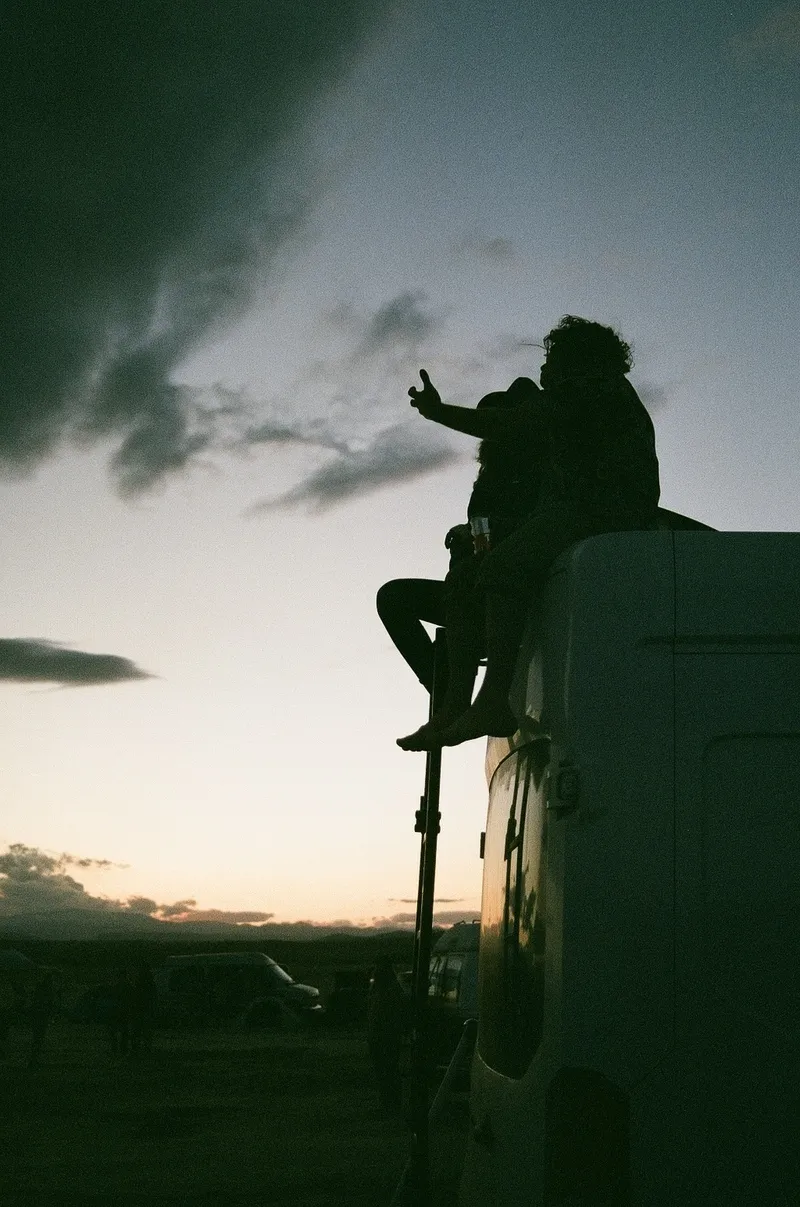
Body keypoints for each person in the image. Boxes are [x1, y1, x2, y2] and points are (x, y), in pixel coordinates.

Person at [399, 315, 660, 748]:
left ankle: (494, 700)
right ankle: (451, 707)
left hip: (602, 514)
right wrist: (476, 539)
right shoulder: (500, 472)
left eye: (552, 360)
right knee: (465, 579)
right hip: (566, 515)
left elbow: (518, 429)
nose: (545, 371)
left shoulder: (592, 391)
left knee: (501, 568)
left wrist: (439, 413)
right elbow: (489, 515)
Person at [377, 377, 545, 738]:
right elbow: (481, 534)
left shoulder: (540, 470)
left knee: (467, 585)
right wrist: (468, 538)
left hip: (514, 591)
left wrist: (483, 533)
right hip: (472, 588)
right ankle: (444, 696)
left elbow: (540, 526)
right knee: (394, 597)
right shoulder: (488, 480)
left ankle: (456, 702)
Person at [366, 959, 409, 1115]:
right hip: (380, 1038)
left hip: (386, 1038)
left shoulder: (391, 992)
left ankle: (391, 1106)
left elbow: (393, 1016)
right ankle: (388, 1104)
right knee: (384, 1073)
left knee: (388, 1072)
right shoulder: (382, 990)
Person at [27, 970, 57, 1069]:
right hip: (41, 1016)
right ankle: (34, 1060)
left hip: (37, 1015)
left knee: (37, 1038)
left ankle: (33, 1059)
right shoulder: (47, 991)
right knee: (38, 1038)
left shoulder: (39, 989)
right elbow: (49, 1004)